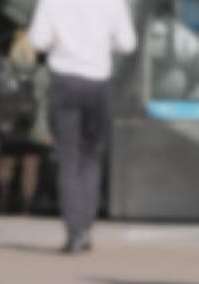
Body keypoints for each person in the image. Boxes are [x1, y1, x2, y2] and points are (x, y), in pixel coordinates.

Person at [29, 0, 137, 253]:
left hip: (64, 81)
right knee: (92, 155)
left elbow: (37, 40)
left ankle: (74, 230)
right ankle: (86, 225)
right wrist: (103, 43)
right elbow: (128, 44)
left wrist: (64, 43)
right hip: (98, 81)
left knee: (68, 158)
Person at [0, 29, 51, 213]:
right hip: (35, 126)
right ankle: (26, 205)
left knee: (6, 161)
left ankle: (3, 198)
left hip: (9, 124)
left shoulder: (4, 68)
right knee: (31, 166)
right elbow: (48, 101)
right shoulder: (43, 72)